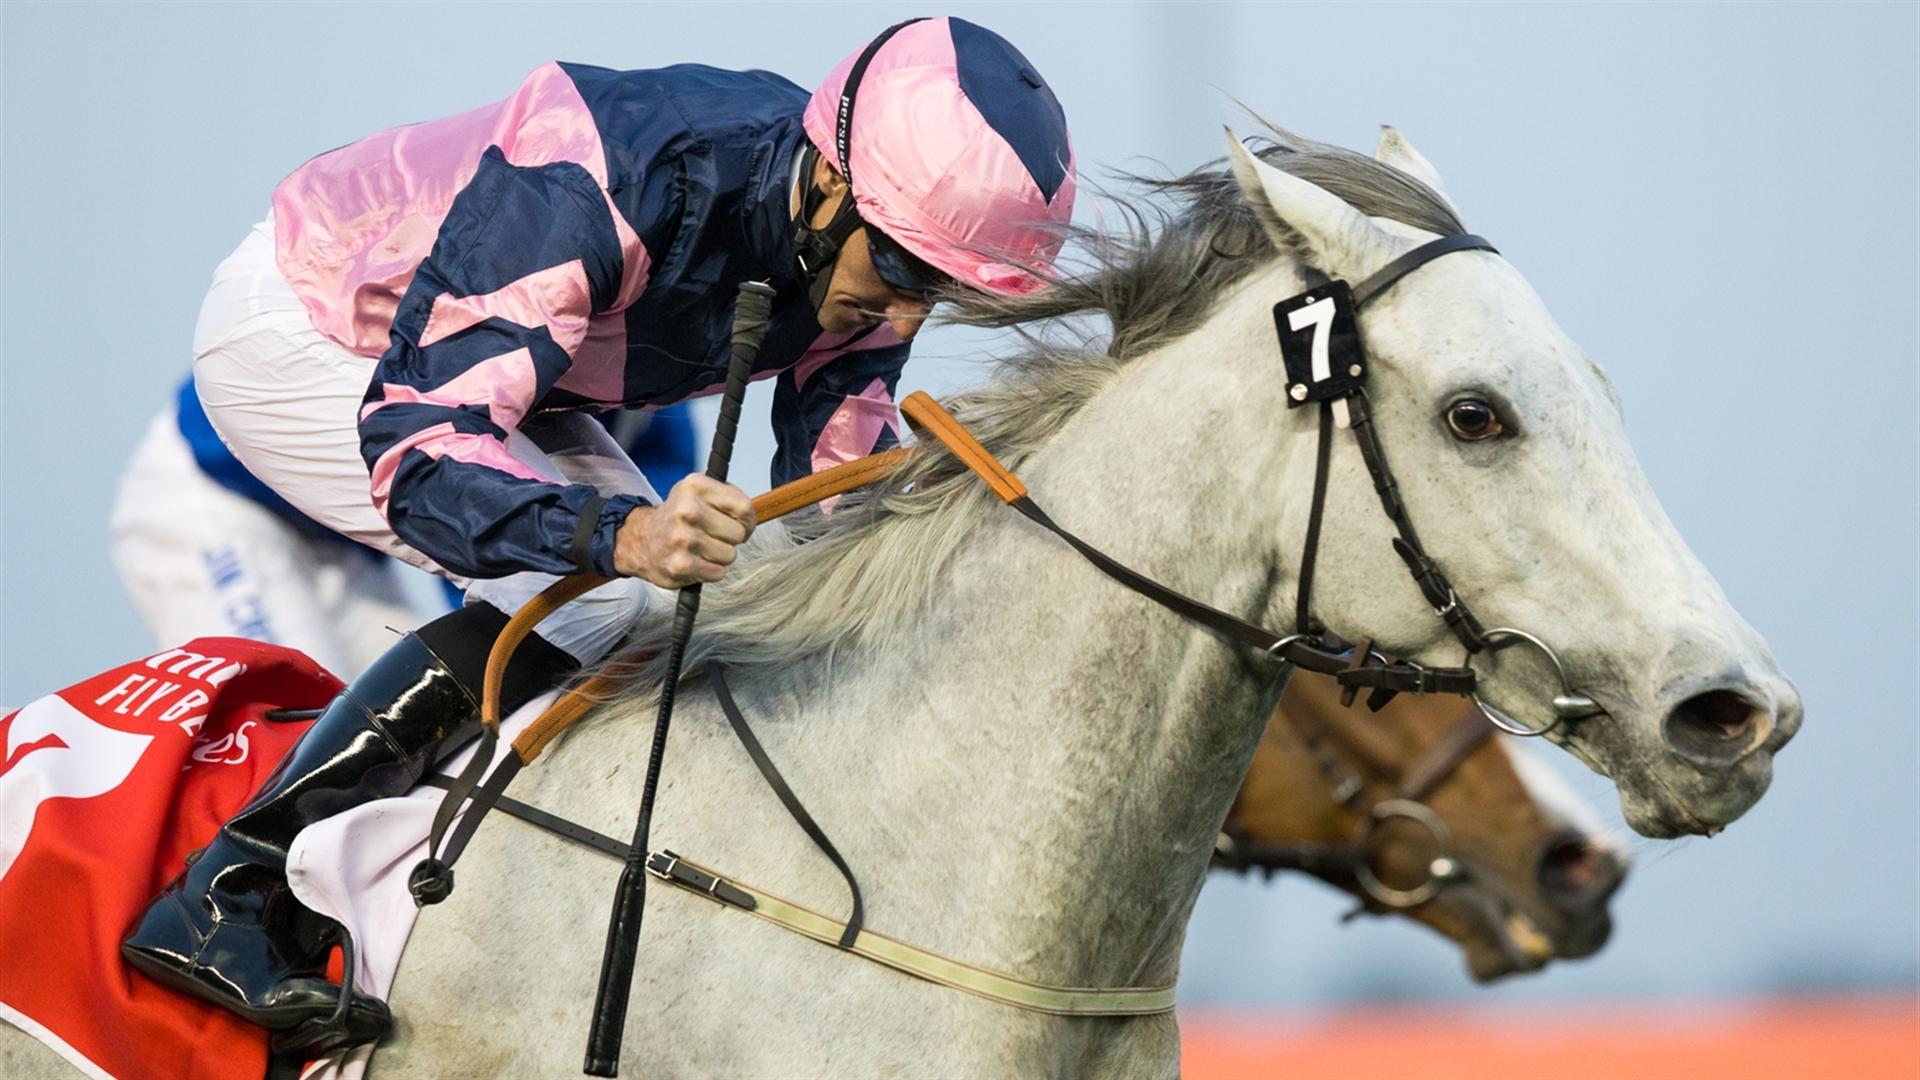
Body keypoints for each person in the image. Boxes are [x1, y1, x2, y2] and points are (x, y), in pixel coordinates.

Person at [120, 16, 1075, 1056]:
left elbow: (839, 504)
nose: (898, 311)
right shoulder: (611, 167)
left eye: (942, 290)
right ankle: (232, 891)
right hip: (311, 323)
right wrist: (624, 536)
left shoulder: (865, 254)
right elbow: (423, 454)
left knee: (689, 598)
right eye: (897, 267)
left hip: (490, 378)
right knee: (623, 593)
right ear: (835, 184)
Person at [110, 374, 700, 679]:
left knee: (403, 747)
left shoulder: (663, 410)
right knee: (287, 737)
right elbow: (487, 553)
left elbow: (647, 586)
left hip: (339, 544)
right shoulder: (536, 328)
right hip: (211, 502)